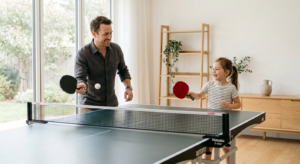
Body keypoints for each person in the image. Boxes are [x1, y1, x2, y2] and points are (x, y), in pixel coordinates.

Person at [187, 57, 241, 164]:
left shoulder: (231, 88)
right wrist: (191, 94)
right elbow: (198, 96)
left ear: (226, 72)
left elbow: (238, 104)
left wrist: (229, 106)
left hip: (224, 123)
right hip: (210, 121)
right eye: (213, 68)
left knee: (225, 146)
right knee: (208, 147)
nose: (213, 71)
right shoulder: (209, 85)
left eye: (217, 69)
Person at [75, 16, 133, 109]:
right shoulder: (83, 53)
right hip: (89, 106)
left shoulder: (116, 49)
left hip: (111, 105)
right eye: (106, 34)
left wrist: (128, 88)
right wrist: (81, 85)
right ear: (94, 34)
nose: (109, 37)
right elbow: (80, 77)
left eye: (110, 33)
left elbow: (123, 70)